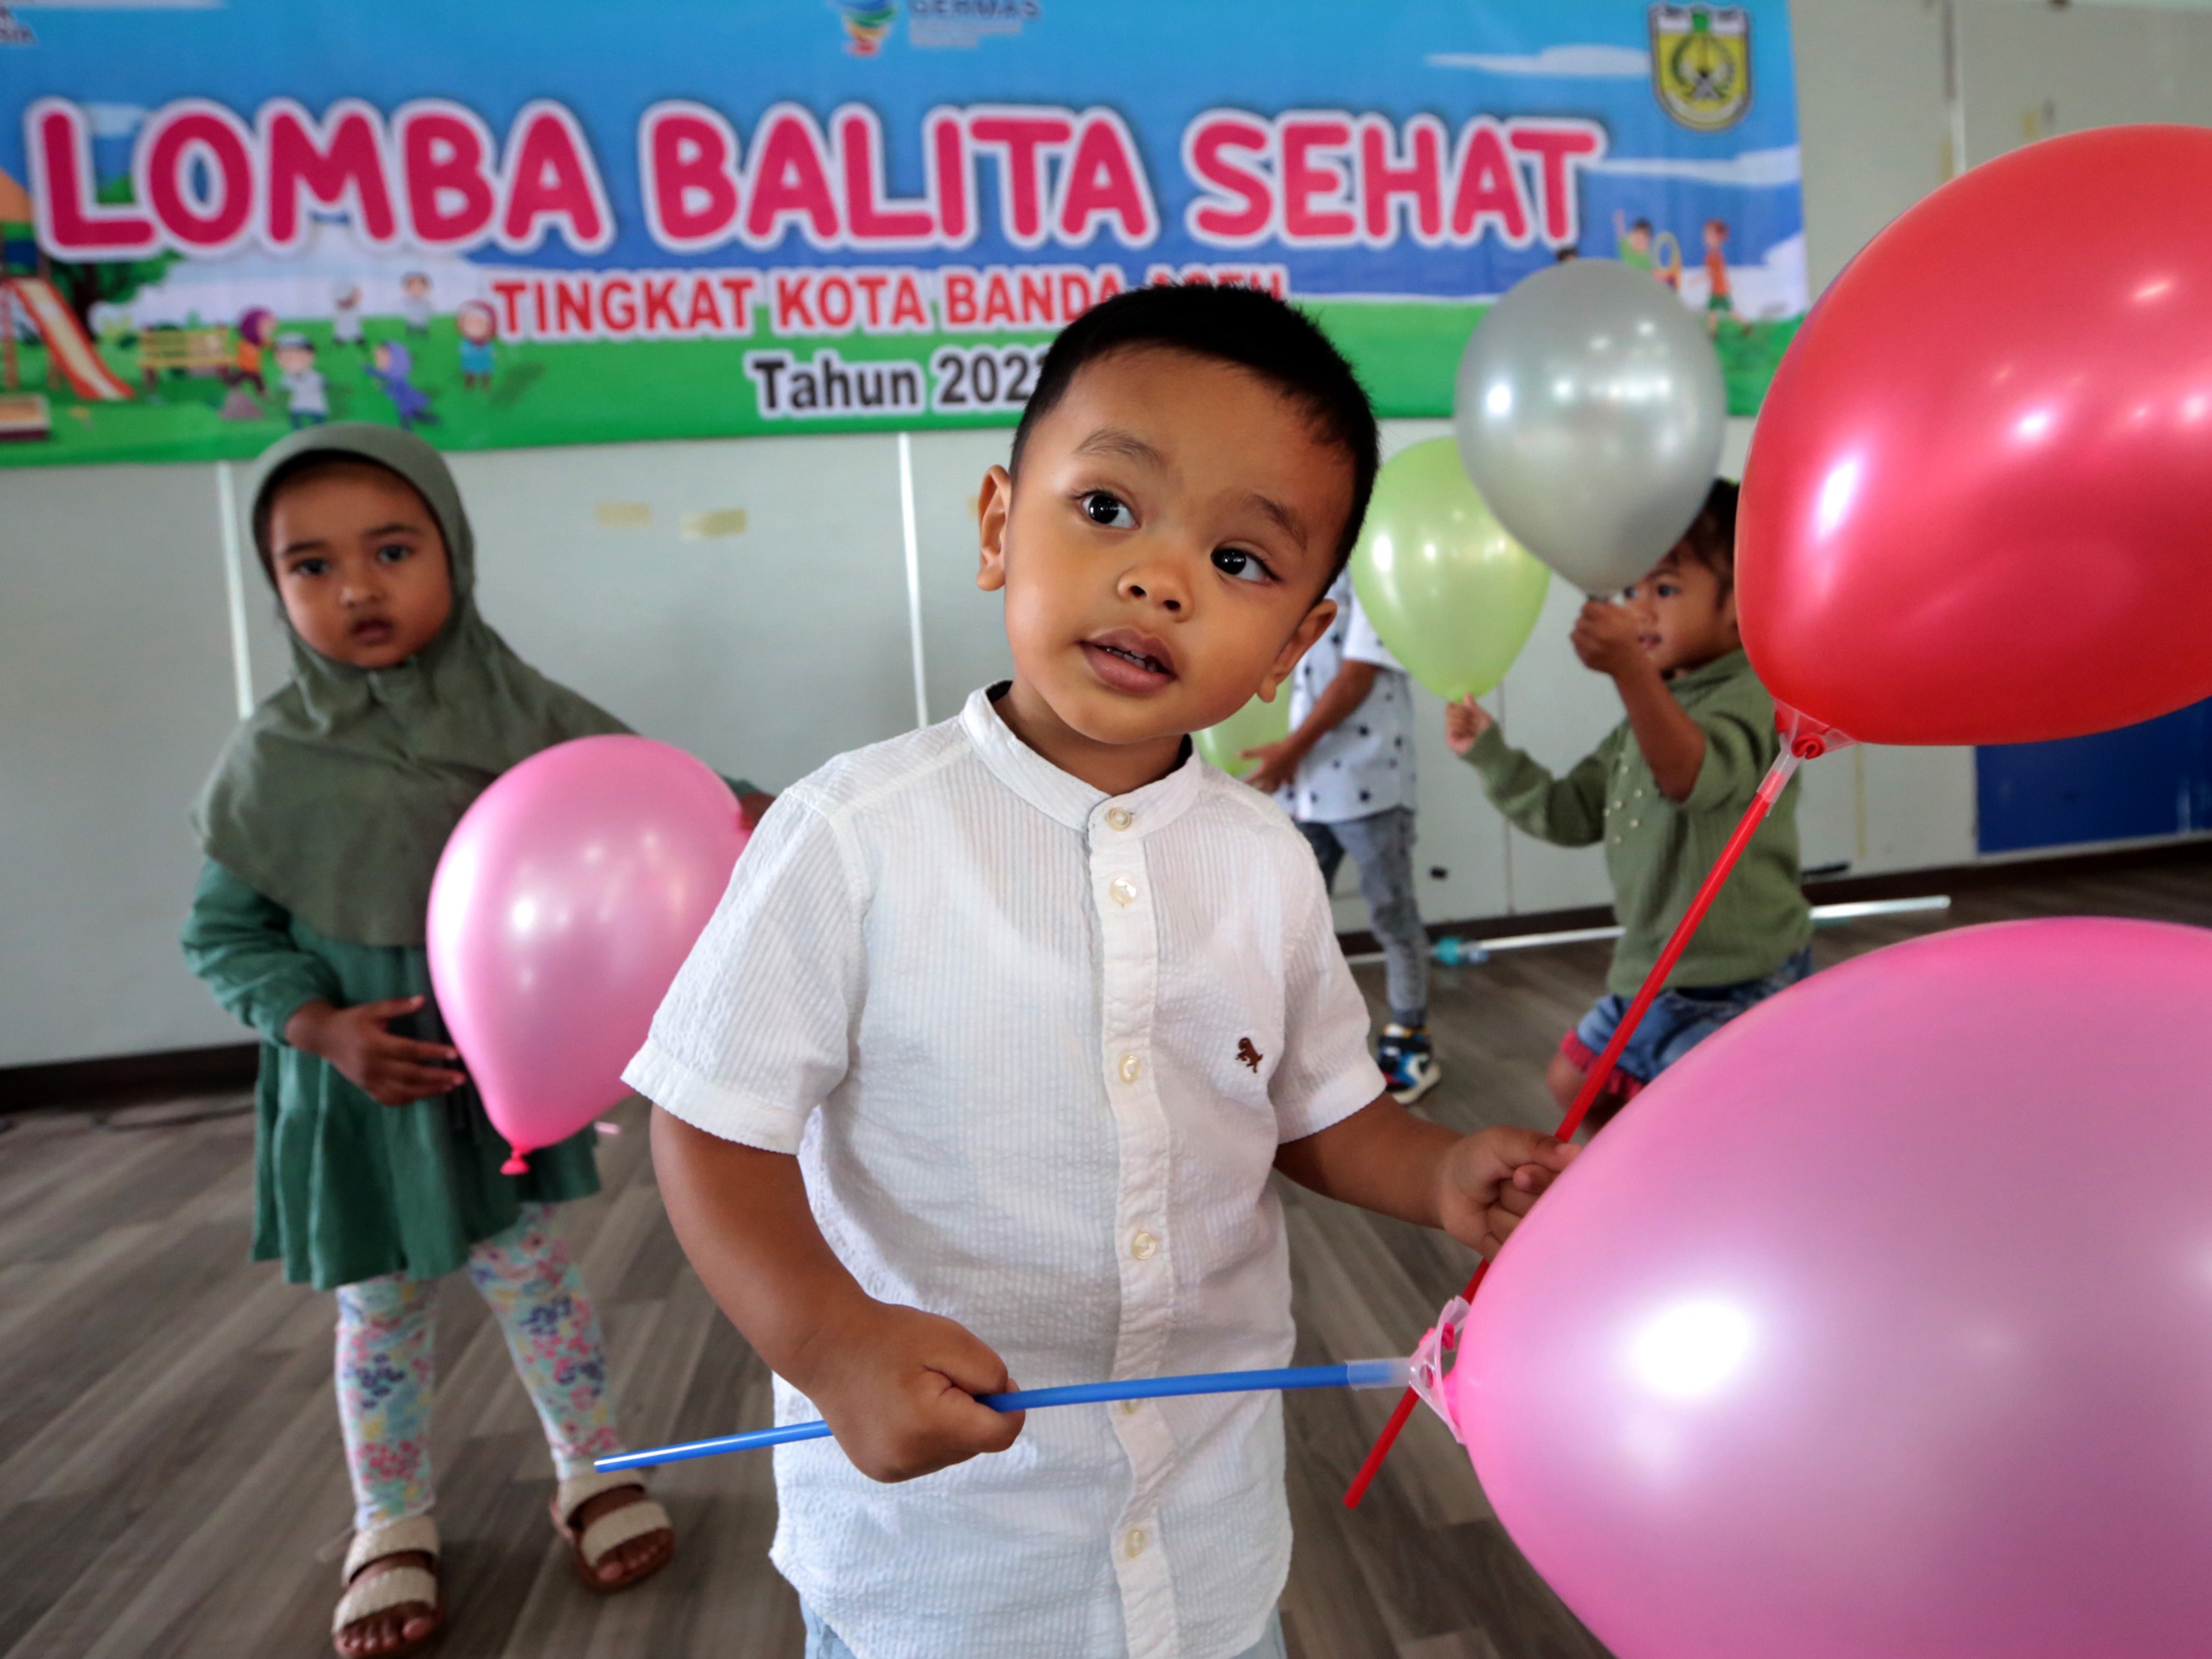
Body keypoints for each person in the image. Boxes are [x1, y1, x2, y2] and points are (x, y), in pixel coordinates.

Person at [628, 285, 1576, 1659]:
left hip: (1205, 1551)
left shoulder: (1263, 862)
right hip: (940, 1570)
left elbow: (1313, 1109)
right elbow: (710, 1128)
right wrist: (830, 1342)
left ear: (1296, 645)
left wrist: (1431, 1174)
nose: (1160, 576)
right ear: (998, 525)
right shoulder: (850, 834)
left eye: (1242, 562)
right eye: (1107, 510)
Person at [180, 426, 720, 1659]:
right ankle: (391, 1518)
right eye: (310, 566)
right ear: (273, 587)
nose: (357, 587)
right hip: (362, 1096)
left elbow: (645, 787)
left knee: (537, 1283)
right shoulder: (270, 758)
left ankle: (594, 1468)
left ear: (452, 554)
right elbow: (222, 936)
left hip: (495, 1084)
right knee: (380, 1310)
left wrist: (746, 808)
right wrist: (319, 1026)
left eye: (390, 549)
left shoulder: (522, 709)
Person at [1445, 480, 1811, 1133]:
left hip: (1734, 985)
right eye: (1634, 590)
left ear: (1744, 603)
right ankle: (1639, 1199)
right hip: (1651, 977)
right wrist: (1490, 753)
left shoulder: (1755, 699)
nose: (1641, 610)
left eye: (1666, 590)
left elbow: (1692, 775)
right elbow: (1569, 813)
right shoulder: (1645, 719)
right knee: (1572, 1082)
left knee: (1709, 1130)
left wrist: (1629, 674)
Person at [1240, 574, 1437, 1103]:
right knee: (1293, 925)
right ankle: (1299, 1051)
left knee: (1393, 917)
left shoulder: (1376, 571)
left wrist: (1290, 750)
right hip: (1303, 790)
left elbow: (1358, 677)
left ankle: (1409, 1040)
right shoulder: (1300, 567)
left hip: (1369, 784)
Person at [274, 331, 328, 429]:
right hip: (297, 405)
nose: (294, 361)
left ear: (311, 356)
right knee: (296, 422)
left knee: (319, 426)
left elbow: (323, 384)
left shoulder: (316, 376)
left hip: (316, 406)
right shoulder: (287, 377)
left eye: (300, 357)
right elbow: (283, 387)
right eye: (287, 358)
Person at [455, 299, 497, 389]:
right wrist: (470, 350)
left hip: (484, 360)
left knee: (486, 373)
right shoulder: (467, 342)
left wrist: (493, 353)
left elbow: (490, 348)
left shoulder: (486, 342)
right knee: (470, 373)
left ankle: (486, 385)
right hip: (471, 361)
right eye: (470, 324)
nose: (475, 328)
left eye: (480, 324)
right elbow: (463, 349)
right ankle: (470, 383)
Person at [401, 271, 433, 336]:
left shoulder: (427, 303)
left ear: (425, 288)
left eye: (419, 287)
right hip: (411, 326)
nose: (416, 289)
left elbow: (430, 313)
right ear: (407, 288)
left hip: (423, 326)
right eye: (413, 287)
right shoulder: (405, 303)